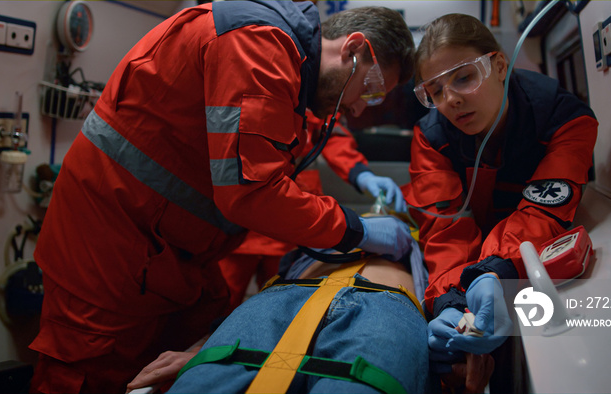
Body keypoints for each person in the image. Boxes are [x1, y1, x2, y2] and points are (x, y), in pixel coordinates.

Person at [28, 2, 416, 393]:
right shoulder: (259, 45)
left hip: (173, 253)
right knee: (88, 374)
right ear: (352, 49)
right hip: (109, 250)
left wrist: (358, 177)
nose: (361, 106)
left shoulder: (292, 76)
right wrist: (355, 229)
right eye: (370, 89)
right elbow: (253, 192)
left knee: (187, 363)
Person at [402, 13, 598, 379]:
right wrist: (449, 301)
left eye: (464, 77)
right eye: (435, 90)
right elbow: (444, 230)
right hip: (477, 262)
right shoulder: (431, 137)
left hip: (525, 249)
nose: (451, 100)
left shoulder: (563, 118)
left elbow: (542, 213)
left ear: (499, 65)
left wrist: (493, 271)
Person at [127, 218, 436, 394]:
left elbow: (450, 281)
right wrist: (203, 349)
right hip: (285, 295)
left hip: (381, 303)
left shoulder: (422, 242)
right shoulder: (307, 249)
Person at [220, 109, 406, 310]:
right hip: (246, 225)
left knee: (282, 304)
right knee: (221, 303)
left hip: (296, 223)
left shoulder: (309, 93)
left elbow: (331, 133)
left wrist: (360, 173)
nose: (362, 104)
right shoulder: (271, 88)